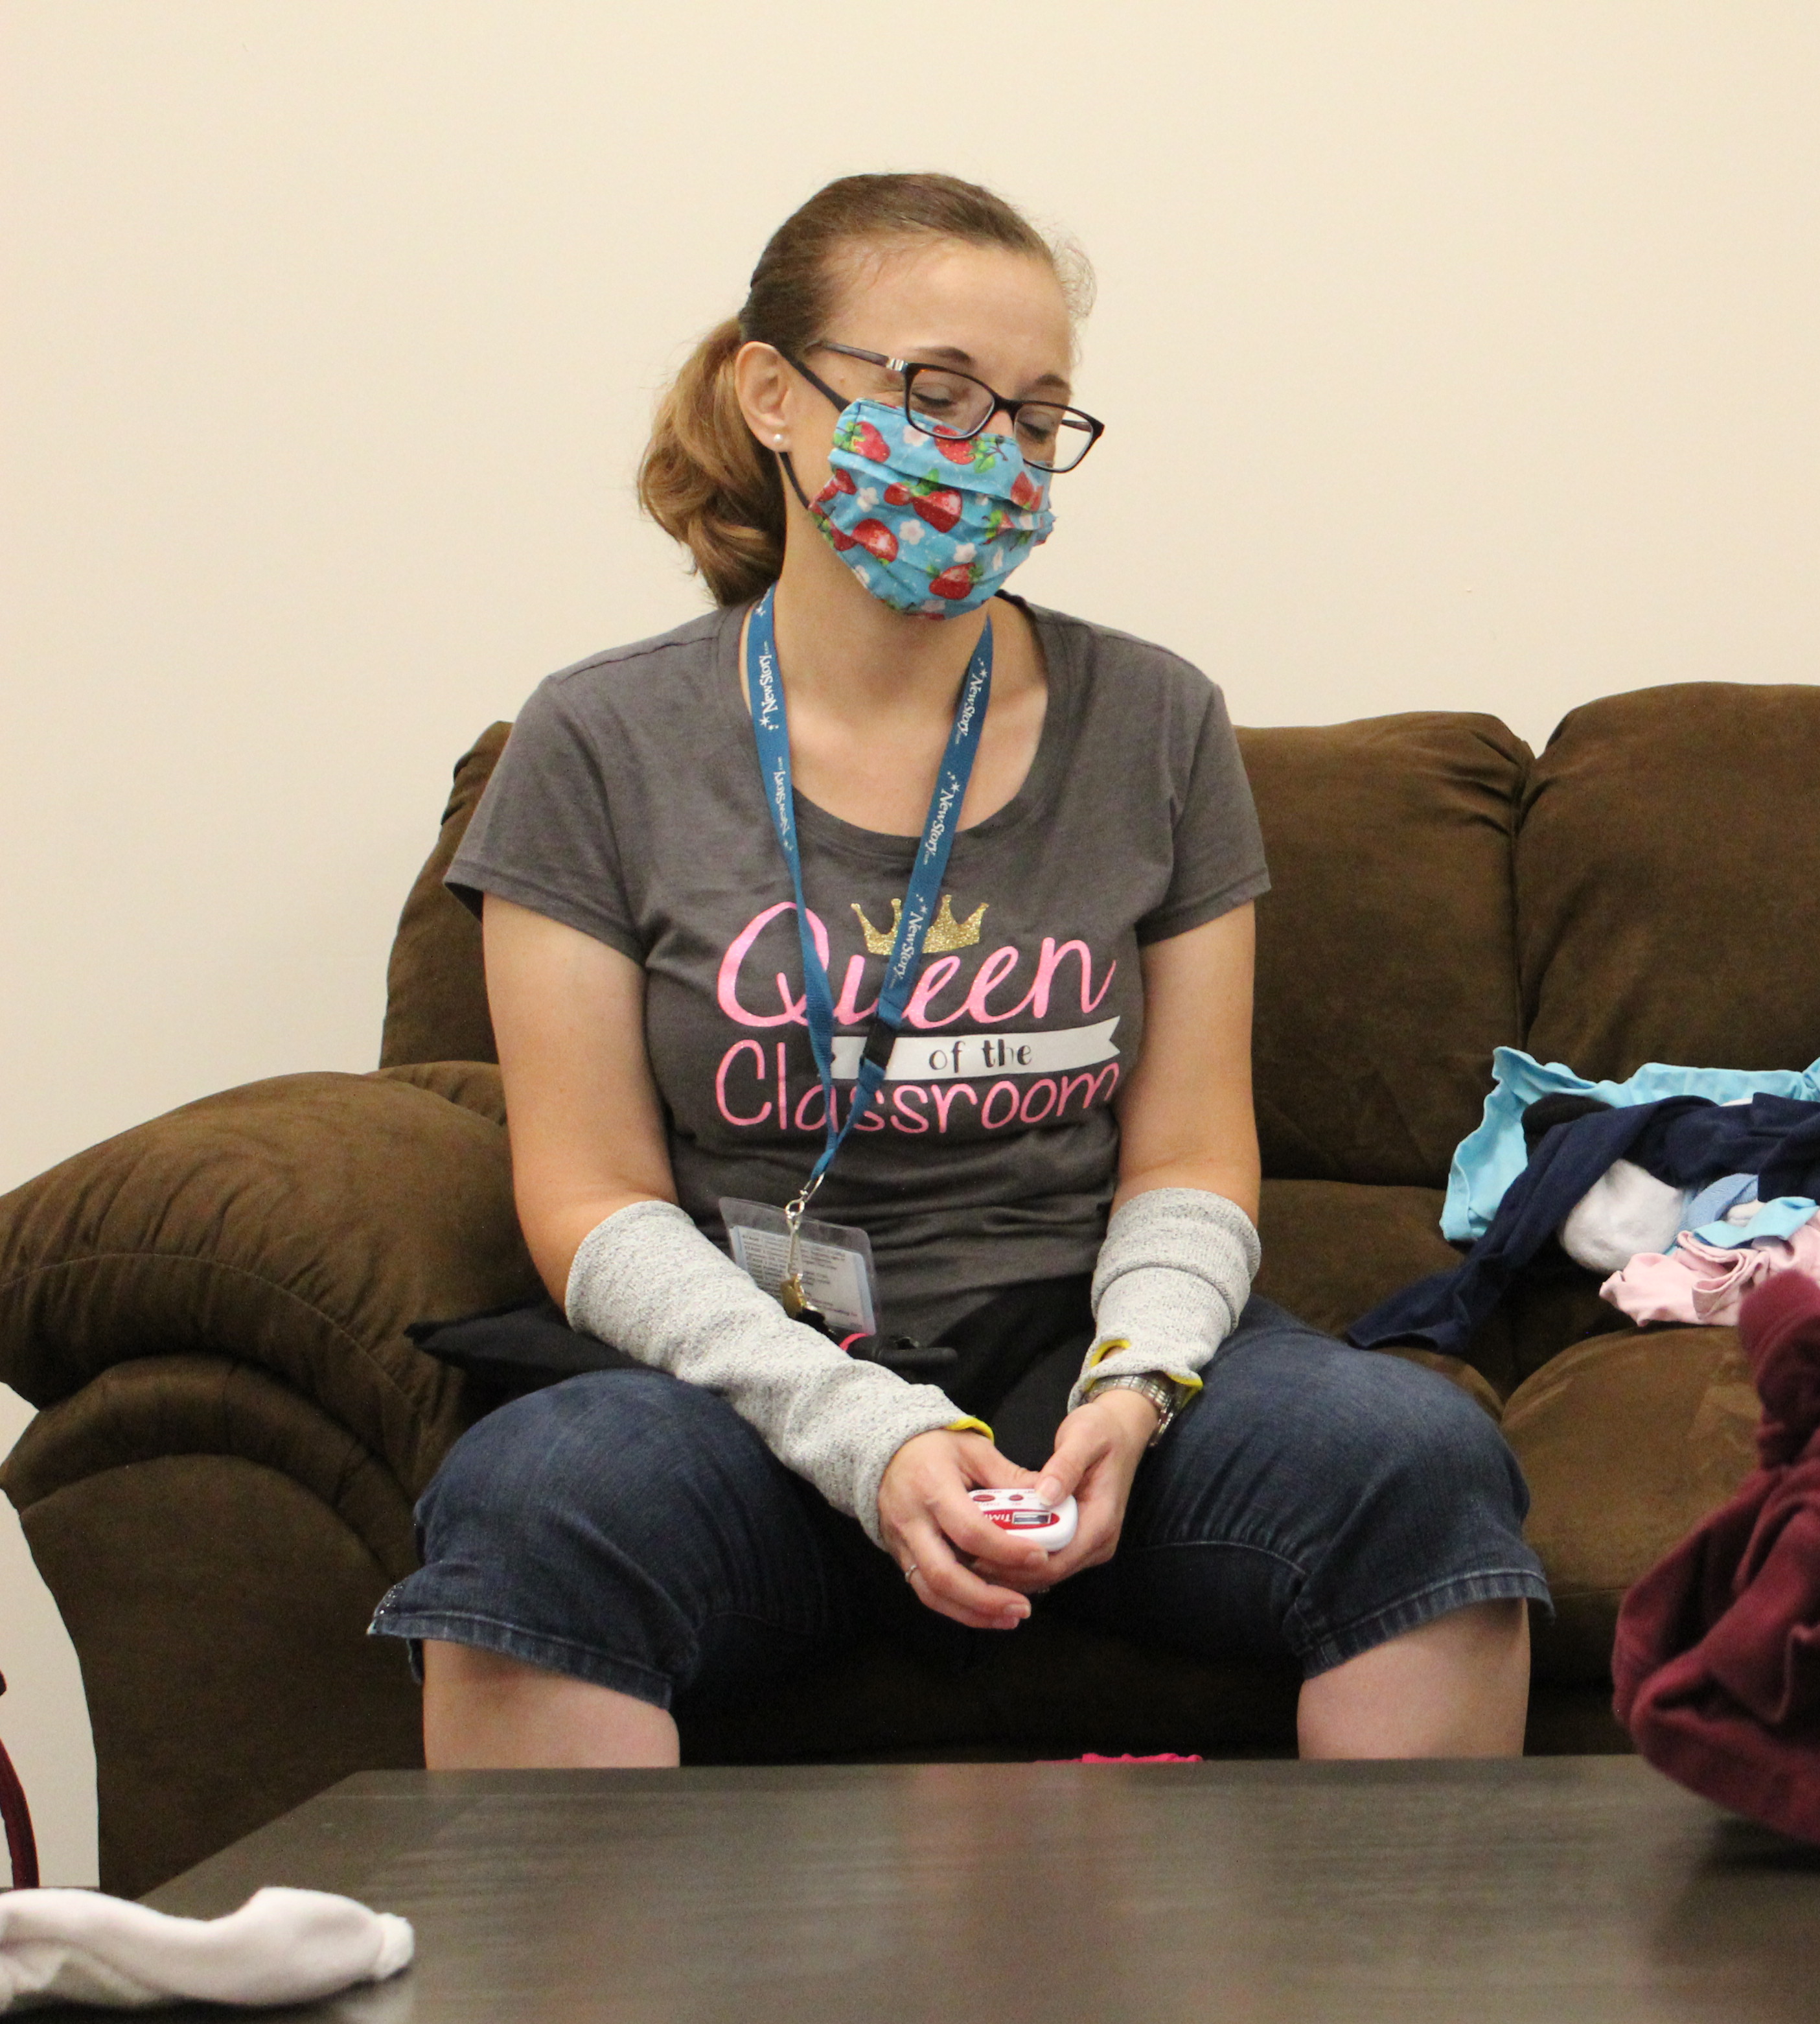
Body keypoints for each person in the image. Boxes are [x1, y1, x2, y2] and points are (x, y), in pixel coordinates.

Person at [370, 173, 1547, 1769]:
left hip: (1083, 1357)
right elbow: (587, 1201)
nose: (990, 451)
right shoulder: (597, 741)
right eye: (935, 392)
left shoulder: (1156, 722)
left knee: (1414, 1458)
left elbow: (1193, 1154)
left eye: (1038, 415)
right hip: (746, 1389)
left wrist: (1136, 1390)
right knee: (537, 1507)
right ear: (771, 394)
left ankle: (1387, 2013)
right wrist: (859, 1428)